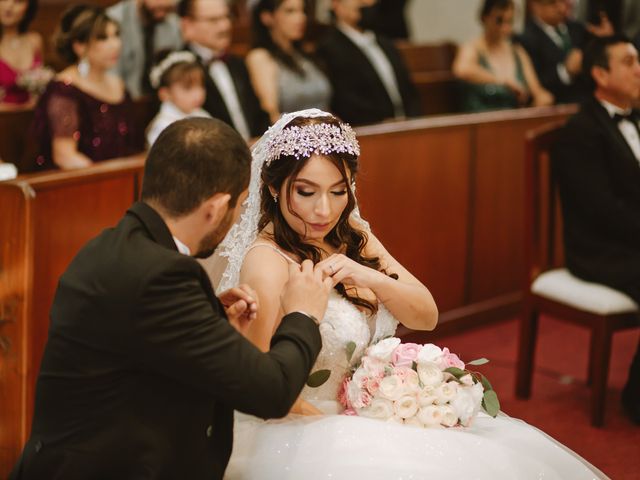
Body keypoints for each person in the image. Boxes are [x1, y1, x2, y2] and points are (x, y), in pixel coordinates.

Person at [208, 108, 610, 479]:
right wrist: (353, 432)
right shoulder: (268, 262)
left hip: (369, 415)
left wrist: (369, 276)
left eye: (338, 190)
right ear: (275, 189)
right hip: (305, 422)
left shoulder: (354, 236)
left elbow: (425, 315)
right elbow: (262, 385)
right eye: (306, 192)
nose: (324, 212)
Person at [9, 116, 332, 480]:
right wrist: (304, 314)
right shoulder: (161, 276)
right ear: (214, 208)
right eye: (238, 206)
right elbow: (272, 393)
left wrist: (209, 319)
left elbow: (143, 347)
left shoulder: (110, 245)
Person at [551, 34, 640, 425]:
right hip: (600, 250)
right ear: (600, 74)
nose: (639, 69)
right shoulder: (581, 131)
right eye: (629, 61)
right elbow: (601, 210)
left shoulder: (635, 118)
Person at [29, 5, 143, 170]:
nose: (115, 44)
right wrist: (110, 178)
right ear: (79, 46)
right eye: (103, 38)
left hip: (121, 177)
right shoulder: (64, 90)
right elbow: (64, 156)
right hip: (83, 183)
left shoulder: (117, 83)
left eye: (116, 35)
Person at [316, 0, 422, 126]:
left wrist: (411, 120)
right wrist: (382, 123)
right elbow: (346, 100)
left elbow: (409, 91)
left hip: (407, 128)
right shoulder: (329, 49)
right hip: (368, 132)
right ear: (336, 4)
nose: (365, 3)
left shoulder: (386, 44)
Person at [178, 0, 270, 140]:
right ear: (187, 25)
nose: (225, 26)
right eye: (213, 20)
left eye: (227, 17)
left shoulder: (237, 64)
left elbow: (257, 116)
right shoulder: (178, 71)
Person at [453, 0, 554, 112]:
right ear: (484, 18)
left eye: (510, 22)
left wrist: (542, 99)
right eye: (499, 20)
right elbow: (462, 69)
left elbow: (537, 91)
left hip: (513, 121)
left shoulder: (517, 51)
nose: (505, 27)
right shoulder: (472, 48)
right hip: (481, 120)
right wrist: (503, 81)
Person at [246, 0, 331, 123]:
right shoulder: (261, 57)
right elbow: (271, 114)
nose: (301, 18)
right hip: (291, 138)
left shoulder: (305, 54)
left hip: (326, 134)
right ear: (267, 17)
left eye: (302, 11)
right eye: (290, 11)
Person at [515, 0, 610, 104]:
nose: (561, 8)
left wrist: (605, 40)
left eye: (562, 1)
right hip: (556, 106)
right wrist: (565, 71)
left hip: (589, 102)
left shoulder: (578, 28)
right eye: (552, 3)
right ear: (535, 5)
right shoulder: (525, 39)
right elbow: (534, 84)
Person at [107, 0, 183, 99]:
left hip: (161, 100)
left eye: (168, 9)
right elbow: (109, 73)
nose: (161, 14)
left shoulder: (173, 24)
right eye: (158, 7)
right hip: (121, 99)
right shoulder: (113, 21)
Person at [146, 50, 211, 146]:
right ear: (165, 94)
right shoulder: (163, 126)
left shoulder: (202, 114)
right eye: (188, 88)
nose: (198, 93)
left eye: (201, 86)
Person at [0, 0, 45, 108]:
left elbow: (41, 89)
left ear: (28, 7)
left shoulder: (35, 41)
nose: (9, 6)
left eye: (18, 1)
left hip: (32, 118)